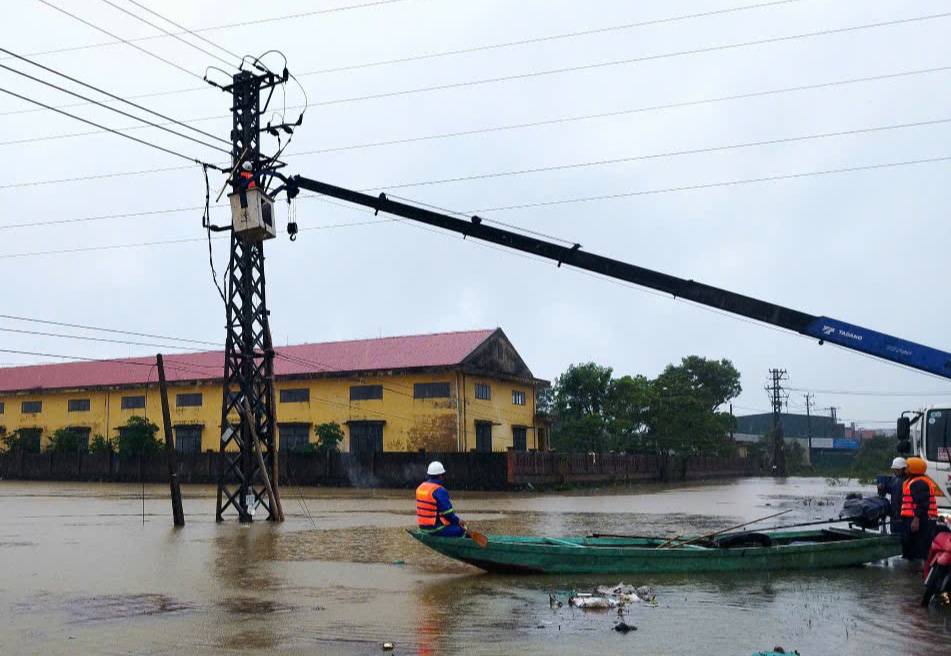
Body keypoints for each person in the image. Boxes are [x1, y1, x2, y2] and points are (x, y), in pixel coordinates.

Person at [416, 461, 468, 538]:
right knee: (465, 531)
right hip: (436, 529)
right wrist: (458, 521)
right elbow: (448, 514)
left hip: (423, 528)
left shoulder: (420, 488)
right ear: (441, 476)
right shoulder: (440, 491)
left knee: (455, 526)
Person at [900, 457, 938, 560]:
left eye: (907, 467)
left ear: (914, 468)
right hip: (918, 519)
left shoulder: (918, 483)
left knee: (920, 549)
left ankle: (919, 571)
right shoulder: (913, 481)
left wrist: (916, 520)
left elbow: (922, 504)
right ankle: (913, 572)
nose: (905, 470)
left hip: (921, 520)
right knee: (913, 547)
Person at [877, 456, 908, 534]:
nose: (896, 471)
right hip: (894, 513)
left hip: (904, 514)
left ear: (904, 469)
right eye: (895, 469)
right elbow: (892, 490)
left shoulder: (908, 480)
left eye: (898, 469)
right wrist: (883, 487)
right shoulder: (894, 479)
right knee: (894, 533)